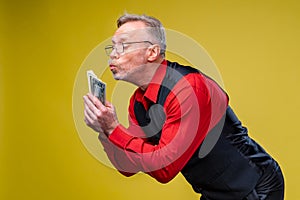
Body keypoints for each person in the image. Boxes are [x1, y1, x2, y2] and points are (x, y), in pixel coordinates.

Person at [83, 13, 284, 200]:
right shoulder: (137, 103)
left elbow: (165, 169)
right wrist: (105, 132)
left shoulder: (187, 88)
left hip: (255, 186)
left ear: (152, 52)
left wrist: (113, 128)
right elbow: (128, 166)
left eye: (124, 46)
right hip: (215, 192)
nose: (113, 55)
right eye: (113, 47)